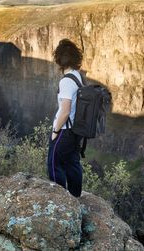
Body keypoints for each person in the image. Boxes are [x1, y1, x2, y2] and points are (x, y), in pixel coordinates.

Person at [47, 39, 84, 198]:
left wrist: (55, 131)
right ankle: (75, 198)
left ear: (59, 60)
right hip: (75, 130)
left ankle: (59, 201)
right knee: (72, 163)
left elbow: (65, 110)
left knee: (54, 165)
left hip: (64, 131)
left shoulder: (67, 81)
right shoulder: (77, 76)